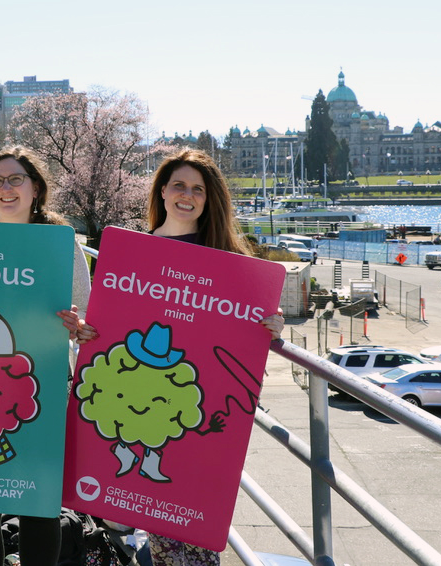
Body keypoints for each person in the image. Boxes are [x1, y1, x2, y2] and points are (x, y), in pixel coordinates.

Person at [144, 148, 284, 566]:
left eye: (198, 189)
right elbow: (116, 324)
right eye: (178, 185)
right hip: (150, 408)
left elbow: (252, 321)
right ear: (162, 191)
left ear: (209, 199)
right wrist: (87, 330)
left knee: (199, 533)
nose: (187, 196)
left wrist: (272, 324)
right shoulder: (134, 252)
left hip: (206, 413)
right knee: (163, 537)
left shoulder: (228, 260)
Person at [0, 145, 95, 566]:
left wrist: (76, 326)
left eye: (16, 179)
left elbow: (87, 319)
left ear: (35, 188)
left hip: (42, 388)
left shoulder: (61, 245)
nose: (6, 188)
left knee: (38, 500)